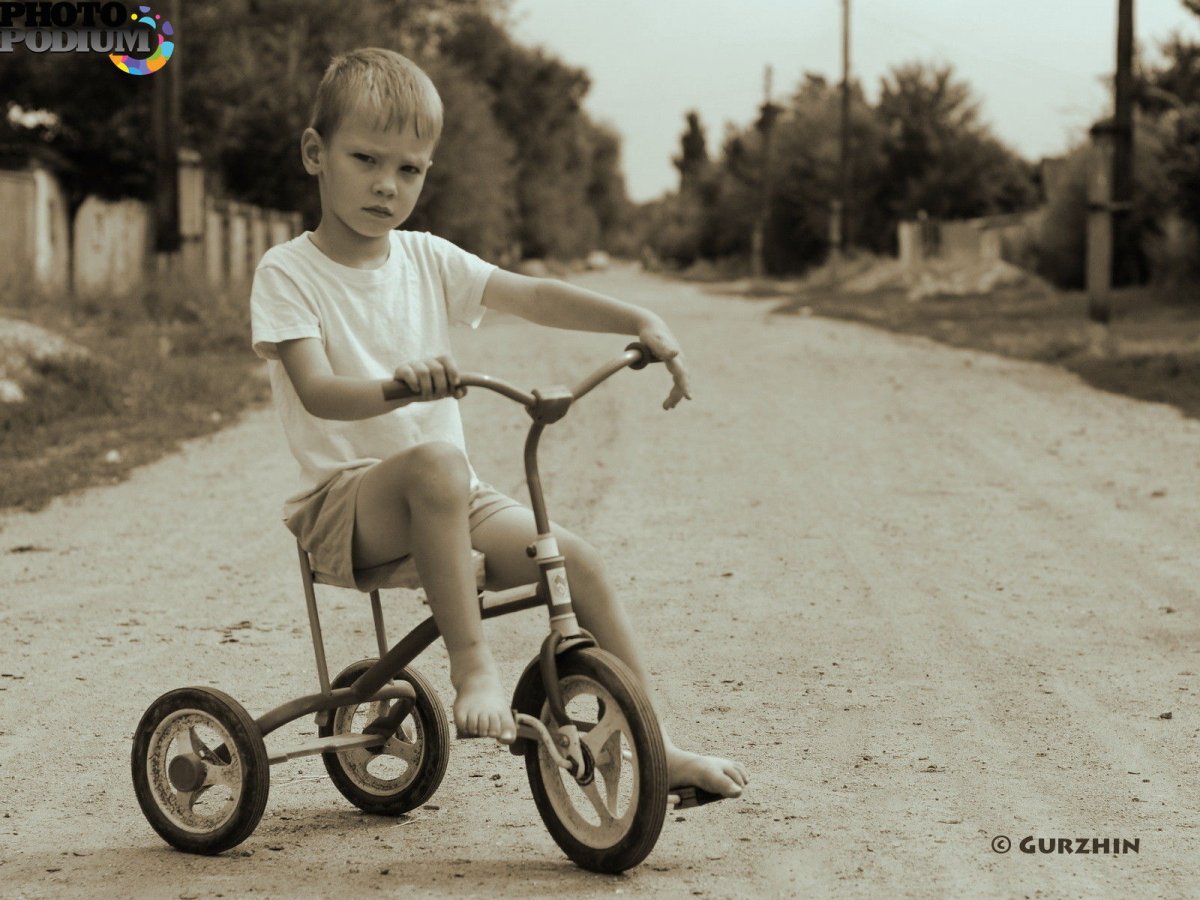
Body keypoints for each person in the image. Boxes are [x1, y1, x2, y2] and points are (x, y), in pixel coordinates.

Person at [250, 48, 748, 800]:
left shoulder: (425, 258)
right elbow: (318, 389)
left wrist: (639, 316)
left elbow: (535, 296)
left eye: (410, 169)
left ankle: (660, 747)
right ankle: (472, 668)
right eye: (366, 159)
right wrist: (397, 388)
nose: (387, 185)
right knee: (436, 463)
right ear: (315, 153)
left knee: (571, 558)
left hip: (448, 493)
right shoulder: (288, 272)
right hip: (345, 508)